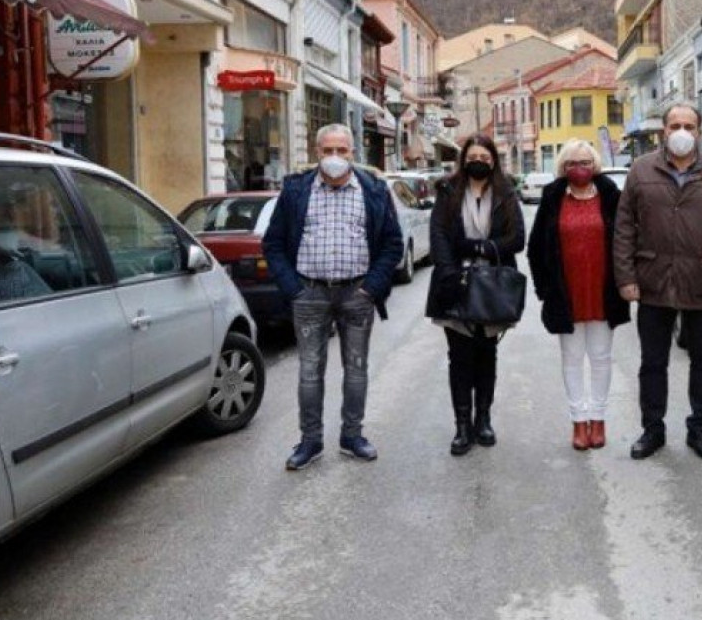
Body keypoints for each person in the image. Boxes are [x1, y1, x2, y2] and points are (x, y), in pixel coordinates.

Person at [613, 104, 702, 461]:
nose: (681, 131)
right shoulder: (642, 170)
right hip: (653, 280)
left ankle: (700, 429)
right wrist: (626, 276)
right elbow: (624, 226)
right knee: (652, 362)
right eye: (675, 124)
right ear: (663, 130)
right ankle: (652, 429)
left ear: (699, 131)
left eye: (689, 125)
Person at [263, 124, 405, 471]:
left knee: (356, 370)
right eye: (328, 151)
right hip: (309, 293)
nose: (335, 158)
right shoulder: (297, 191)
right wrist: (294, 289)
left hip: (357, 293)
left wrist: (371, 288)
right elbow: (273, 243)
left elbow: (392, 244)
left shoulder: (373, 190)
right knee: (310, 371)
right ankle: (310, 441)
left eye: (342, 151)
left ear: (353, 154)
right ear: (317, 154)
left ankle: (352, 436)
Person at [425, 134, 526, 456]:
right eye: (472, 156)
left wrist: (483, 247)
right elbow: (439, 234)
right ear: (463, 159)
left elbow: (517, 237)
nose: (478, 160)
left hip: (493, 285)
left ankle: (484, 419)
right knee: (459, 357)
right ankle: (462, 426)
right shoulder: (448, 190)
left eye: (484, 155)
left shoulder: (506, 191)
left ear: (493, 160)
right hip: (455, 281)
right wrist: (449, 270)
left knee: (486, 354)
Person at [529, 139, 630, 451]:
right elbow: (536, 248)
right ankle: (578, 421)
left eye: (585, 162)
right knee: (571, 359)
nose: (579, 168)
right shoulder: (553, 196)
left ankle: (598, 420)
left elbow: (626, 239)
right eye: (572, 163)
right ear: (563, 167)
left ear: (595, 165)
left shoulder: (611, 195)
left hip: (603, 290)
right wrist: (545, 290)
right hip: (566, 292)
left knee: (601, 358)